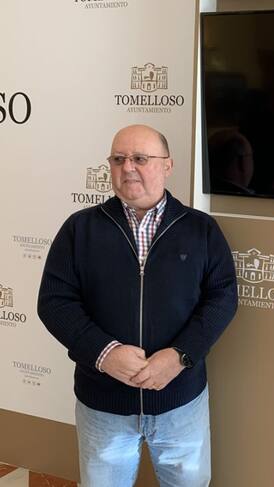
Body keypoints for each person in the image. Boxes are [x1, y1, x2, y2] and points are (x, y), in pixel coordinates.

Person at [38, 124, 238, 487]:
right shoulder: (79, 229)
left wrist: (180, 355)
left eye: (140, 158)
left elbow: (223, 297)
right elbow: (54, 302)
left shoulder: (201, 229)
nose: (128, 167)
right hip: (103, 405)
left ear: (167, 165)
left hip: (181, 402)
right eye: (118, 159)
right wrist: (104, 354)